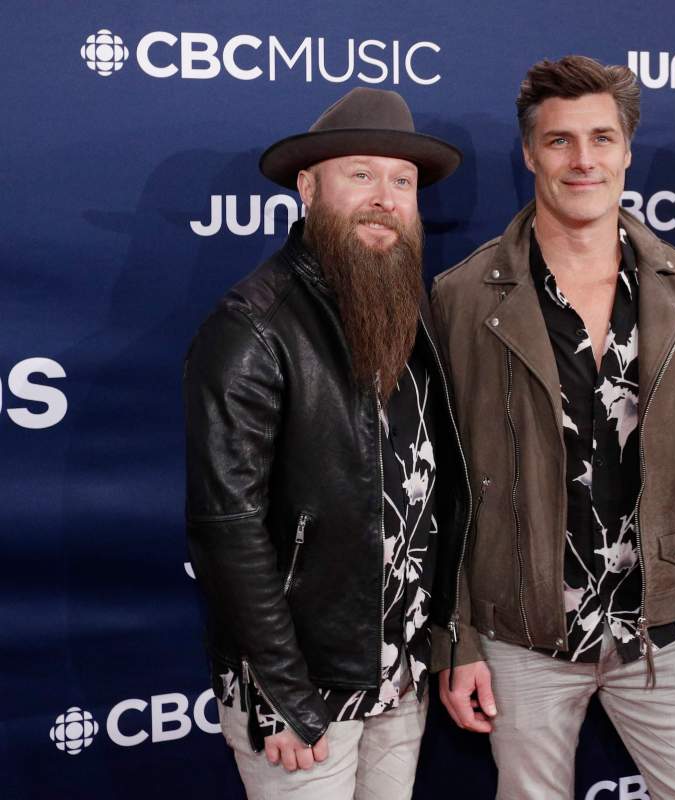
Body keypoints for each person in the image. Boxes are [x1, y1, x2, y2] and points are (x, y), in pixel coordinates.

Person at [431, 56, 675, 799]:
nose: (584, 161)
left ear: (626, 151)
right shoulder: (462, 297)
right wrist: (455, 638)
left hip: (664, 630)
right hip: (522, 635)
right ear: (528, 153)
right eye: (560, 142)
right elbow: (441, 485)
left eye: (602, 139)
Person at [183, 86, 469, 799]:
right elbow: (227, 529)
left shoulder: (409, 310)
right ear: (308, 188)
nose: (385, 196)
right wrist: (282, 692)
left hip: (398, 680)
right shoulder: (253, 327)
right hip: (303, 694)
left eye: (401, 181)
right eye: (361, 174)